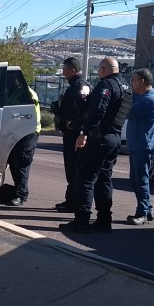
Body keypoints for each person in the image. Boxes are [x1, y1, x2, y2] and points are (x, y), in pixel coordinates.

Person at [59, 57, 125, 234]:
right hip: (114, 138)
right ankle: (104, 220)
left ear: (104, 69)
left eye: (99, 69)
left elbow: (97, 111)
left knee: (85, 179)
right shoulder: (125, 87)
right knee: (104, 179)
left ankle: (81, 221)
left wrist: (84, 133)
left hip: (99, 139)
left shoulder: (106, 86)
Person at [50, 57, 90, 212]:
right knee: (78, 170)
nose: (63, 73)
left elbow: (73, 112)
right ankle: (72, 200)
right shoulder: (86, 85)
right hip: (80, 134)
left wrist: (62, 115)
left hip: (73, 136)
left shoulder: (74, 88)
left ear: (73, 70)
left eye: (65, 70)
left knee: (73, 169)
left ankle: (73, 203)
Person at [125, 68, 154, 225]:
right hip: (137, 144)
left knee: (141, 179)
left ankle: (143, 213)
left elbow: (128, 111)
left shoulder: (150, 99)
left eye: (133, 80)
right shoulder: (141, 96)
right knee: (136, 178)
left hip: (143, 145)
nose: (131, 83)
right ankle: (147, 208)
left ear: (142, 81)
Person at [6, 86, 41, 206]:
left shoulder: (26, 93)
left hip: (28, 132)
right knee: (13, 161)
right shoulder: (14, 91)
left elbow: (26, 113)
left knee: (22, 162)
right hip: (17, 132)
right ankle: (18, 191)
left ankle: (21, 195)